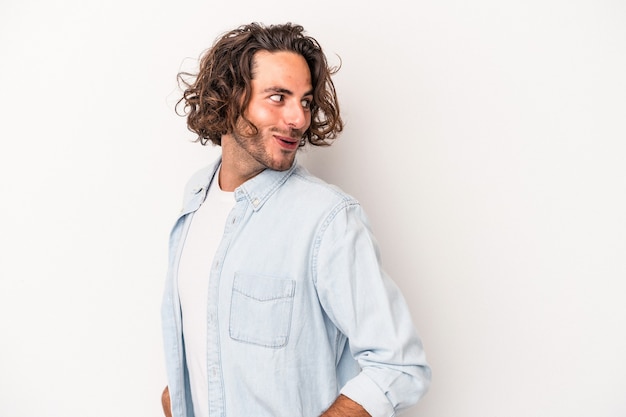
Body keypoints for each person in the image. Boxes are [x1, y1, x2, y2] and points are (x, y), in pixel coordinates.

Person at [160, 22, 431, 417]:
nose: (299, 119)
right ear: (229, 98)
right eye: (278, 97)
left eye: (304, 101)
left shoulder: (328, 219)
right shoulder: (195, 199)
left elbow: (399, 366)